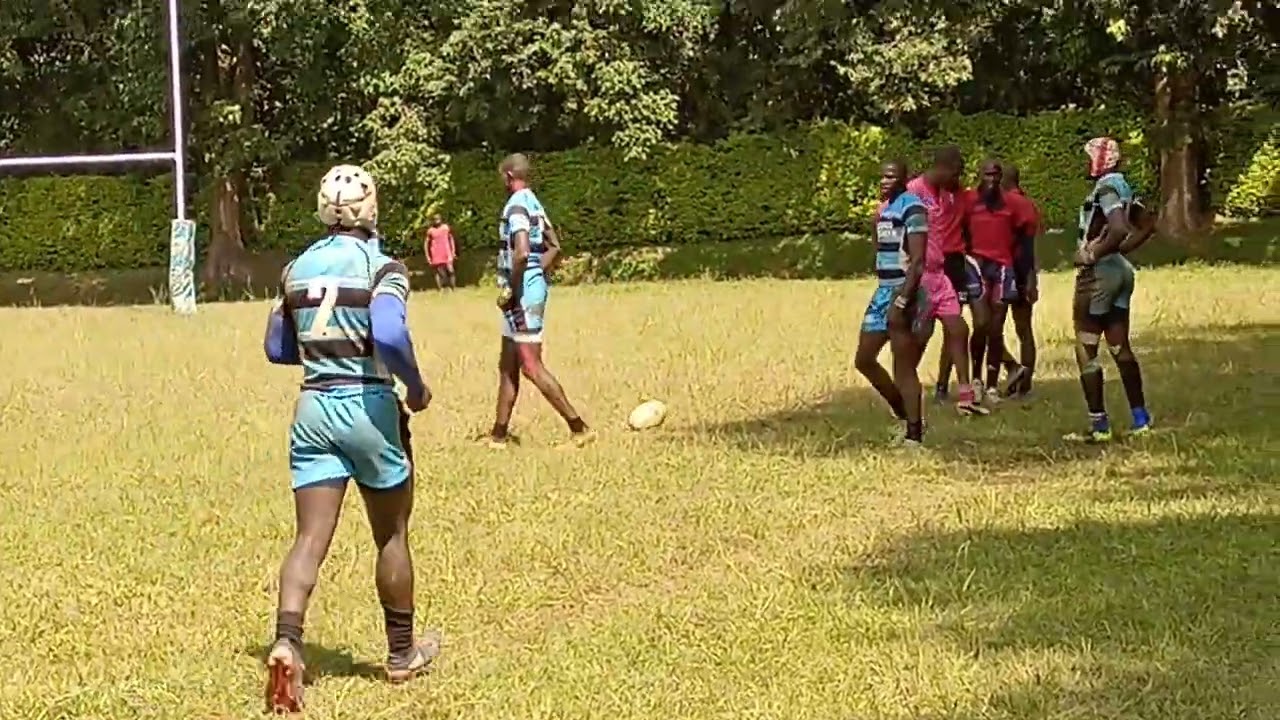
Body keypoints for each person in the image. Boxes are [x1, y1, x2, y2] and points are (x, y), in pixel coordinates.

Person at [261, 164, 440, 713]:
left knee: (309, 539)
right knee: (391, 535)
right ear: (372, 209)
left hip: (313, 406)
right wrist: (415, 386)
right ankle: (401, 653)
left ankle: (288, 639)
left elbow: (277, 347)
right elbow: (387, 331)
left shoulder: (295, 269)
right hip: (366, 405)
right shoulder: (383, 266)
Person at [488, 153, 593, 448]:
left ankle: (580, 429)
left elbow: (521, 252)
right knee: (507, 364)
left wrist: (515, 286)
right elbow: (554, 246)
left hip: (520, 295)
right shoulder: (534, 202)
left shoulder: (517, 206)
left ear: (509, 176)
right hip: (526, 290)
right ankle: (498, 435)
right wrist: (537, 274)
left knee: (531, 366)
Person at [1065, 137, 1156, 443]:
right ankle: (1140, 418)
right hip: (1120, 272)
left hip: (1098, 277)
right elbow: (1146, 224)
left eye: (1087, 157)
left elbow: (1117, 227)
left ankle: (1099, 425)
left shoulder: (1105, 188)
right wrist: (1120, 251)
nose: (1083, 163)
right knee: (1119, 346)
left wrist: (1093, 254)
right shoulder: (1124, 186)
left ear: (1100, 160)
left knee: (1086, 347)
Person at [907, 147, 989, 417]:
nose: (959, 178)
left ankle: (965, 395)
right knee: (921, 334)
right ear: (944, 167)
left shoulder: (945, 194)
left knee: (958, 329)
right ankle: (905, 384)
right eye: (956, 171)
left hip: (942, 272)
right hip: (919, 275)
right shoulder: (914, 191)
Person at [855, 159, 932, 445]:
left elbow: (918, 260)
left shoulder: (913, 207)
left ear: (904, 180)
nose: (885, 182)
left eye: (891, 177)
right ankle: (904, 416)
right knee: (864, 359)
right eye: (882, 177)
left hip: (904, 291)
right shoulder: (885, 208)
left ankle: (914, 434)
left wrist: (903, 299)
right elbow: (878, 246)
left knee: (903, 367)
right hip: (883, 290)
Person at [961, 159, 1036, 402]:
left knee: (996, 327)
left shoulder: (1013, 204)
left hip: (1003, 268)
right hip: (976, 266)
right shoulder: (968, 201)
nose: (991, 180)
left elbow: (1025, 241)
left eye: (996, 175)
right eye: (987, 174)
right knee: (980, 323)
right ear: (979, 175)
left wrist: (1029, 276)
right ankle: (976, 378)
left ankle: (992, 385)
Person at [998, 164, 1040, 397]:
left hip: (1005, 271)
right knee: (1024, 329)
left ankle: (1012, 367)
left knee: (992, 329)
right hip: (1025, 271)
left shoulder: (1004, 204)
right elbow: (1030, 244)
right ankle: (1025, 382)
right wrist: (1033, 276)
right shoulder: (1028, 205)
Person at [424, 215, 456, 290]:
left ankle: (453, 288)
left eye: (438, 219)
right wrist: (428, 256)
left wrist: (453, 251)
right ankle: (441, 289)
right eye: (435, 219)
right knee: (439, 272)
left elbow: (451, 239)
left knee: (451, 270)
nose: (437, 221)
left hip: (447, 253)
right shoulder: (430, 230)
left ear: (441, 219)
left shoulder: (446, 228)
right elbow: (426, 243)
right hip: (436, 253)